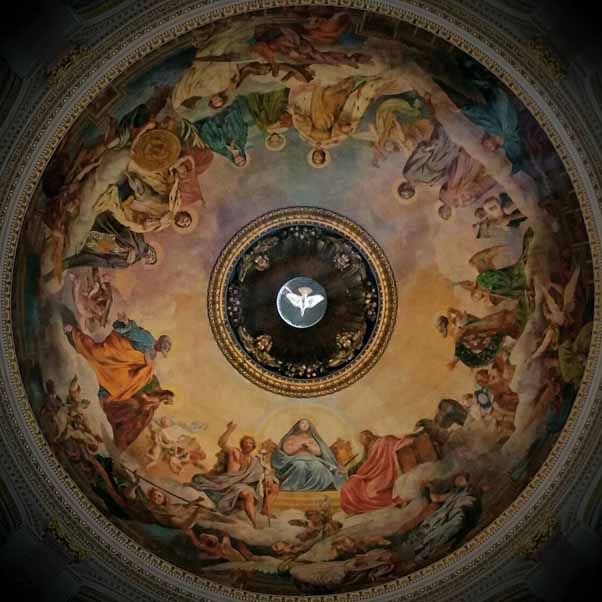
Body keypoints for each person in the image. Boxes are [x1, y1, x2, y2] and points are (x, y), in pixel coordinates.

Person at [188, 422, 278, 528]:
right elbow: (221, 443)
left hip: (244, 485)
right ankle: (255, 523)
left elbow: (261, 474)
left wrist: (267, 479)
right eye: (245, 442)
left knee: (260, 491)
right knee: (248, 495)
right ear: (242, 444)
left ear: (253, 446)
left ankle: (262, 514)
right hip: (230, 482)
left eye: (250, 443)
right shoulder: (235, 452)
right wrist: (229, 430)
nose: (247, 444)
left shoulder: (255, 461)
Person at [340, 431, 413, 515]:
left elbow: (391, 451)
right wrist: (350, 471)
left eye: (362, 438)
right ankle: (355, 508)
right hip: (369, 475)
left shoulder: (383, 442)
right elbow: (363, 463)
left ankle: (362, 506)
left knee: (371, 491)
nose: (361, 442)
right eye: (360, 440)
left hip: (382, 475)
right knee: (349, 486)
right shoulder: (367, 449)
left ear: (368, 436)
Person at [63, 212, 157, 270]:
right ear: (152, 249)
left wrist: (126, 257)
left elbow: (113, 261)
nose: (149, 256)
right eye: (152, 255)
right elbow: (126, 232)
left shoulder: (133, 260)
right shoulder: (140, 238)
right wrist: (129, 249)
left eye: (150, 259)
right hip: (112, 237)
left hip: (108, 247)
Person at [272, 418, 345, 491]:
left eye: (307, 423)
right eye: (302, 423)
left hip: (312, 459)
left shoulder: (312, 439)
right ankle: (294, 487)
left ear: (309, 426)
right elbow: (287, 450)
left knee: (318, 466)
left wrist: (309, 447)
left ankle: (313, 488)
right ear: (298, 425)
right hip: (295, 459)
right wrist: (298, 446)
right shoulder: (292, 438)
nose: (304, 425)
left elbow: (318, 452)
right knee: (300, 465)